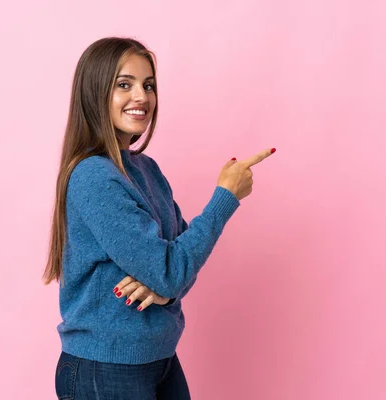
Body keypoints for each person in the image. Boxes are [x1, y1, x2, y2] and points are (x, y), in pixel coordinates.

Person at [44, 37, 276, 399]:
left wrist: (165, 293)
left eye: (148, 85)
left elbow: (182, 263)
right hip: (107, 369)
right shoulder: (93, 176)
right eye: (125, 84)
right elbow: (173, 269)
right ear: (94, 93)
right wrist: (224, 198)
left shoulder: (147, 170)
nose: (141, 96)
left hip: (159, 358)